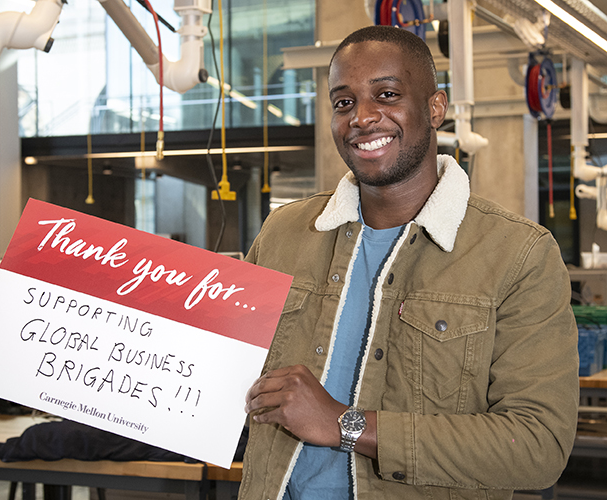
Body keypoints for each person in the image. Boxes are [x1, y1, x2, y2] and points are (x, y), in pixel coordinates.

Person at [240, 25, 579, 500]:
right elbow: (224, 373)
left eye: (387, 94)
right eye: (343, 102)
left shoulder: (517, 255)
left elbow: (538, 447)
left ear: (435, 108)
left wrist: (347, 425)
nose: (362, 117)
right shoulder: (283, 234)